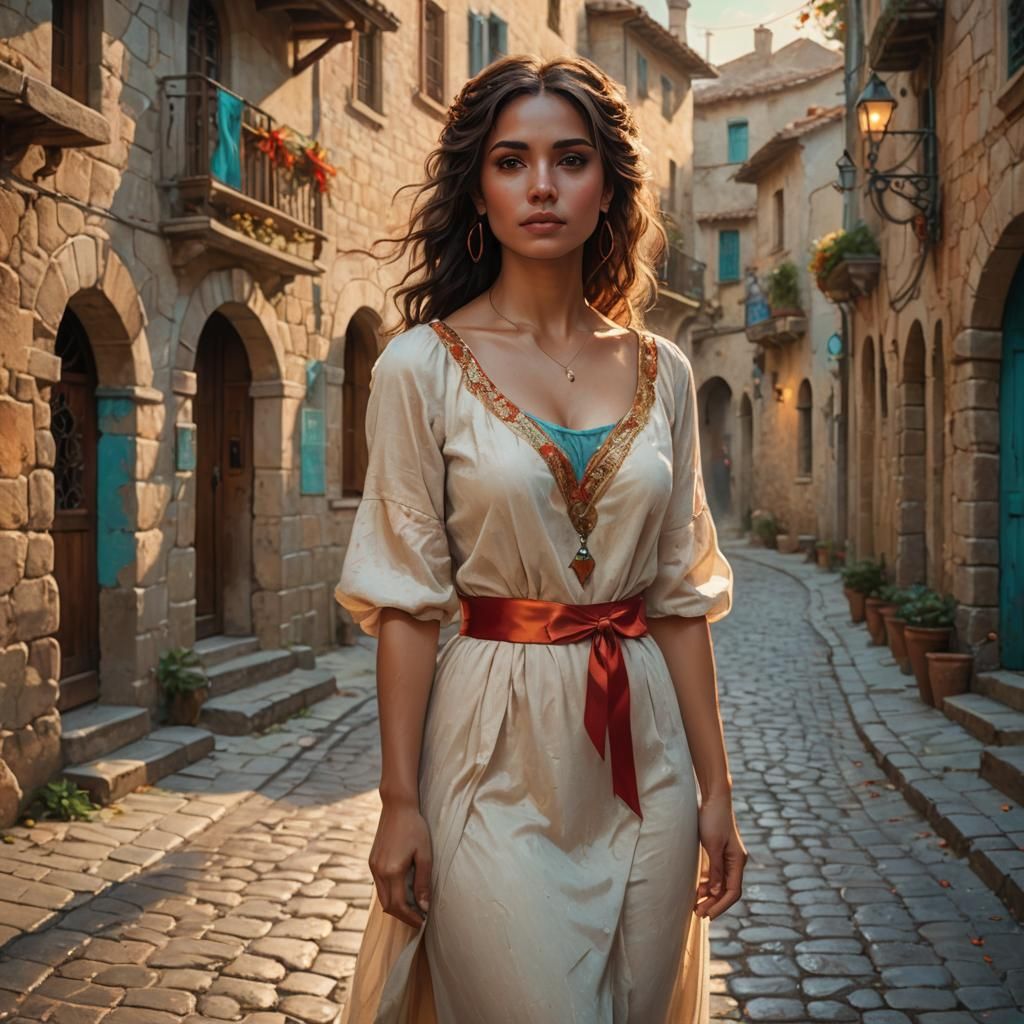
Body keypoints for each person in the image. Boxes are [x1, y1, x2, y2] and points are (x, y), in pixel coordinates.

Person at [335, 54, 747, 1024]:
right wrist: (401, 799)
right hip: (489, 742)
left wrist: (716, 788)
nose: (543, 185)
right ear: (478, 188)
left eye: (569, 160)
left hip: (641, 758)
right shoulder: (418, 368)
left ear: (607, 188)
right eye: (512, 161)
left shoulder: (667, 371)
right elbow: (404, 599)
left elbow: (680, 598)